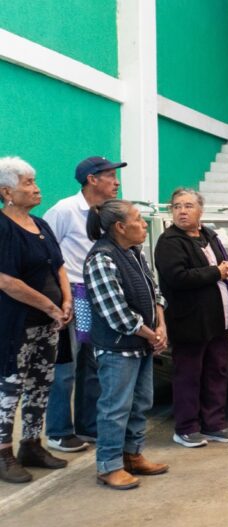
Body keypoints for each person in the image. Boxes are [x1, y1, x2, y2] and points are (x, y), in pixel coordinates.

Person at [84, 200, 169, 490]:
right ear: (120, 227)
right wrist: (152, 335)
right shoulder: (101, 259)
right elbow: (118, 315)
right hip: (117, 348)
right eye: (138, 219)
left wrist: (161, 325)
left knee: (141, 403)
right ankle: (109, 466)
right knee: (115, 408)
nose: (144, 224)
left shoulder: (134, 252)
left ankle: (132, 454)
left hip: (141, 344)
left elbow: (154, 291)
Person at [43, 156, 124, 453]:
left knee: (92, 364)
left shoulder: (107, 212)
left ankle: (88, 426)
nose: (116, 182)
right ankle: (58, 430)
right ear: (92, 179)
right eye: (110, 176)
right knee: (65, 367)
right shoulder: (64, 210)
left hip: (96, 296)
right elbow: (46, 253)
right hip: (70, 296)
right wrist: (59, 298)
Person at [0, 156, 73, 484]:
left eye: (34, 181)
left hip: (48, 323)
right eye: (28, 183)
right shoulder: (3, 228)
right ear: (7, 192)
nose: (36, 188)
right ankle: (4, 453)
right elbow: (6, 281)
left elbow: (59, 265)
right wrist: (50, 306)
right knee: (10, 387)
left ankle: (31, 445)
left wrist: (66, 300)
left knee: (41, 384)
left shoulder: (41, 224)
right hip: (16, 324)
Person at [154, 188, 228, 447]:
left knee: (216, 372)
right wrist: (216, 272)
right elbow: (178, 277)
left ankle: (214, 424)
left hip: (217, 319)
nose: (182, 211)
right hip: (188, 320)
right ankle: (186, 428)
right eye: (177, 206)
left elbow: (225, 263)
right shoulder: (169, 242)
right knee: (188, 375)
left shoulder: (209, 235)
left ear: (200, 210)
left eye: (188, 206)